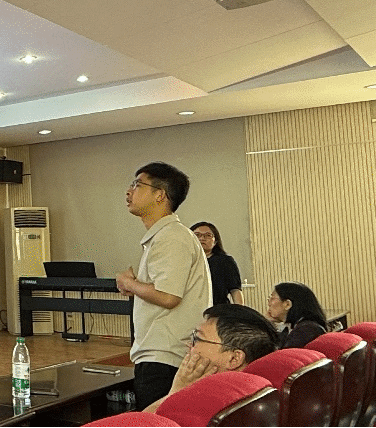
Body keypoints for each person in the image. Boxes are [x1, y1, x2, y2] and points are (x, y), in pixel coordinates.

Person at [116, 162, 212, 410]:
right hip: (164, 353)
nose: (129, 191)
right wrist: (135, 286)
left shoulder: (171, 236)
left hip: (164, 357)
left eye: (137, 184)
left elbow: (169, 297)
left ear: (160, 195)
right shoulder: (165, 235)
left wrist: (130, 283)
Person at [142, 303, 280, 413]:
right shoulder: (260, 393)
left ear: (234, 358)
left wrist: (176, 393)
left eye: (197, 339)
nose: (189, 346)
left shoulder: (204, 407)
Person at [191, 222, 243, 306]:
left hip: (218, 308)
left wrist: (239, 311)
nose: (202, 238)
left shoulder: (225, 261)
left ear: (215, 241)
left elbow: (235, 290)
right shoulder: (184, 261)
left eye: (208, 235)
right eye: (197, 235)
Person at [266, 281, 328, 348]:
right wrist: (266, 323)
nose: (269, 303)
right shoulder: (291, 328)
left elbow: (284, 353)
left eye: (272, 298)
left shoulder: (306, 330)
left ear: (287, 304)